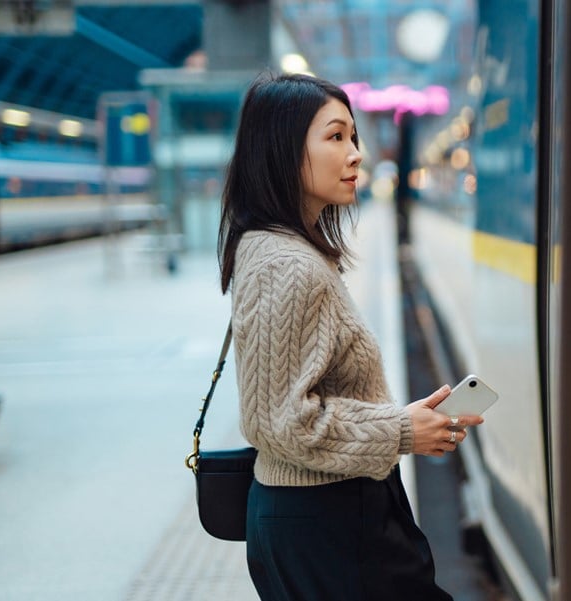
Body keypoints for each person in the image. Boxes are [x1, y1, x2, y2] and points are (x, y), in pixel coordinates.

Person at [217, 71, 480, 600]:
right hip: (327, 523)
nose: (356, 153)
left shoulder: (279, 249)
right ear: (282, 148)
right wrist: (401, 431)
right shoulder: (288, 266)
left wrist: (401, 419)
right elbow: (280, 420)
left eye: (353, 137)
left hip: (324, 514)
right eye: (335, 137)